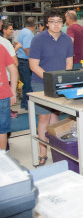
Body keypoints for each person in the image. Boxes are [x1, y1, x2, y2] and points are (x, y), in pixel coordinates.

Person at [29, 9, 73, 166]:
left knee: (55, 116)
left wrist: (65, 81)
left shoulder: (67, 40)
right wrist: (51, 80)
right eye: (53, 21)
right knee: (44, 117)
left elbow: (69, 63)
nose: (57, 24)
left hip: (59, 83)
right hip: (41, 83)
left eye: (59, 21)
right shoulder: (38, 40)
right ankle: (42, 151)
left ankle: (56, 148)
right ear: (46, 23)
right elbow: (33, 65)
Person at [0, 44, 18, 150]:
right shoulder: (1, 47)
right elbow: (14, 70)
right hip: (3, 94)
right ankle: (3, 160)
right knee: (2, 130)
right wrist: (13, 91)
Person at [17, 17, 36, 110]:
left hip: (21, 60)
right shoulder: (28, 33)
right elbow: (26, 48)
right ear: (35, 25)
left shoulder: (23, 31)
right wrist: (32, 59)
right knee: (28, 83)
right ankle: (27, 105)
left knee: (26, 83)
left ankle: (24, 103)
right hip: (25, 61)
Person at [0, 35, 19, 118]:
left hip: (3, 92)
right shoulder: (2, 45)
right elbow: (14, 68)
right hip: (3, 91)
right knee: (3, 128)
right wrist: (13, 91)